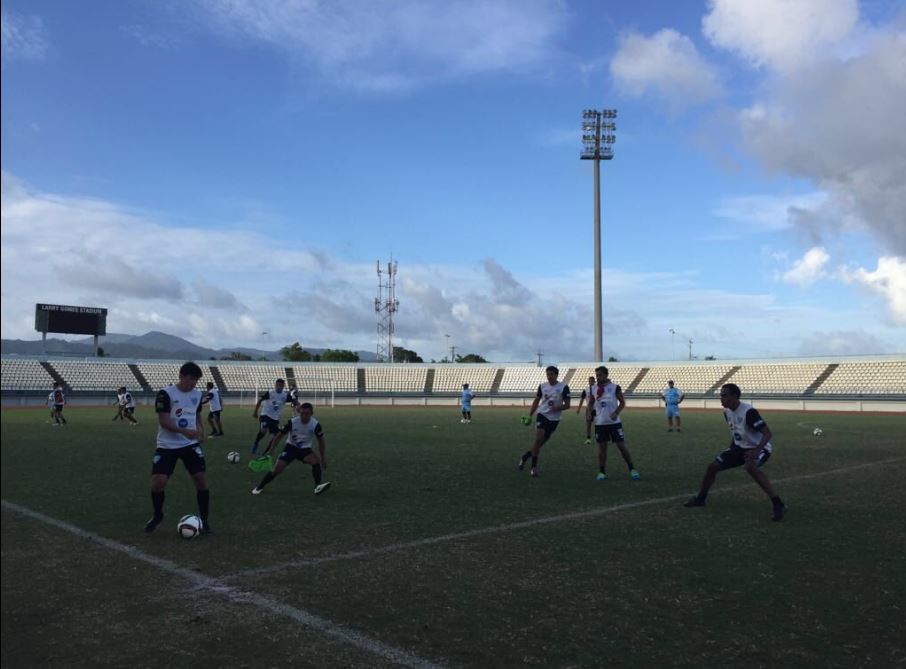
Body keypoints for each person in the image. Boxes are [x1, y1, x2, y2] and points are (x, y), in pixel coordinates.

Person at [684, 383, 785, 521]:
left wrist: (756, 451)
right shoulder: (727, 412)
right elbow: (736, 433)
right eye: (720, 395)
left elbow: (767, 433)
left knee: (750, 467)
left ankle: (778, 504)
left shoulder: (749, 412)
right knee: (712, 467)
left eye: (724, 395)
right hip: (739, 448)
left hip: (759, 448)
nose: (721, 398)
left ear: (735, 396)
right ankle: (700, 499)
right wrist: (731, 449)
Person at [144, 362, 211, 534]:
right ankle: (158, 515)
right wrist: (185, 431)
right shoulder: (165, 394)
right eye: (191, 379)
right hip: (167, 445)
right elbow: (164, 421)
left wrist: (201, 430)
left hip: (190, 445)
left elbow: (196, 414)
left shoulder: (197, 394)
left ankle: (204, 521)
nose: (193, 384)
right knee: (158, 483)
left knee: (201, 480)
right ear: (181, 376)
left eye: (196, 381)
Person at [252, 402, 331, 496]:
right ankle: (259, 487)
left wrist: (322, 459)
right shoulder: (292, 422)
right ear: (299, 412)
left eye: (307, 414)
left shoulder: (316, 425)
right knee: (277, 470)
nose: (304, 416)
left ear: (311, 414)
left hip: (305, 450)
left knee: (315, 462)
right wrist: (271, 450)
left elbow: (321, 442)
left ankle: (317, 486)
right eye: (302, 413)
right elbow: (279, 436)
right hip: (290, 448)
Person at [517, 366, 571, 478]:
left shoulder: (564, 387)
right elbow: (536, 401)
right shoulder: (542, 386)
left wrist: (558, 408)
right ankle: (533, 468)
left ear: (556, 375)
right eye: (548, 374)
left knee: (539, 444)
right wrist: (530, 415)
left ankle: (526, 456)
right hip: (542, 415)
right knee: (538, 438)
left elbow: (567, 405)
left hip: (554, 419)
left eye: (552, 374)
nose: (549, 376)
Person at [590, 366, 640, 481]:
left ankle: (632, 469)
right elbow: (591, 402)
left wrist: (616, 412)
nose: (598, 377)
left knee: (621, 446)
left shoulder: (615, 387)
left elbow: (622, 402)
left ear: (606, 375)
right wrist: (589, 413)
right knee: (602, 448)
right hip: (600, 423)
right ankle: (602, 472)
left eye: (600, 375)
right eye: (597, 375)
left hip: (614, 423)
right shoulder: (593, 388)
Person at [250, 378, 293, 455]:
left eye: (280, 385)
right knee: (263, 430)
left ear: (283, 386)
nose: (279, 387)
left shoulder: (285, 395)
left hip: (275, 419)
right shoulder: (270, 393)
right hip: (265, 415)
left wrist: (298, 405)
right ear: (275, 385)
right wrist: (255, 412)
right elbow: (260, 400)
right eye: (277, 385)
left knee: (276, 436)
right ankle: (255, 444)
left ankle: (266, 452)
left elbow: (294, 400)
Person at [575, 375, 596, 445]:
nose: (591, 382)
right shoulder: (586, 389)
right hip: (589, 409)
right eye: (589, 381)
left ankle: (602, 437)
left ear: (594, 381)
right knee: (588, 424)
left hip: (598, 409)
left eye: (592, 381)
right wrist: (579, 408)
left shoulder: (597, 388)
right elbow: (582, 399)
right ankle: (588, 439)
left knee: (600, 423)